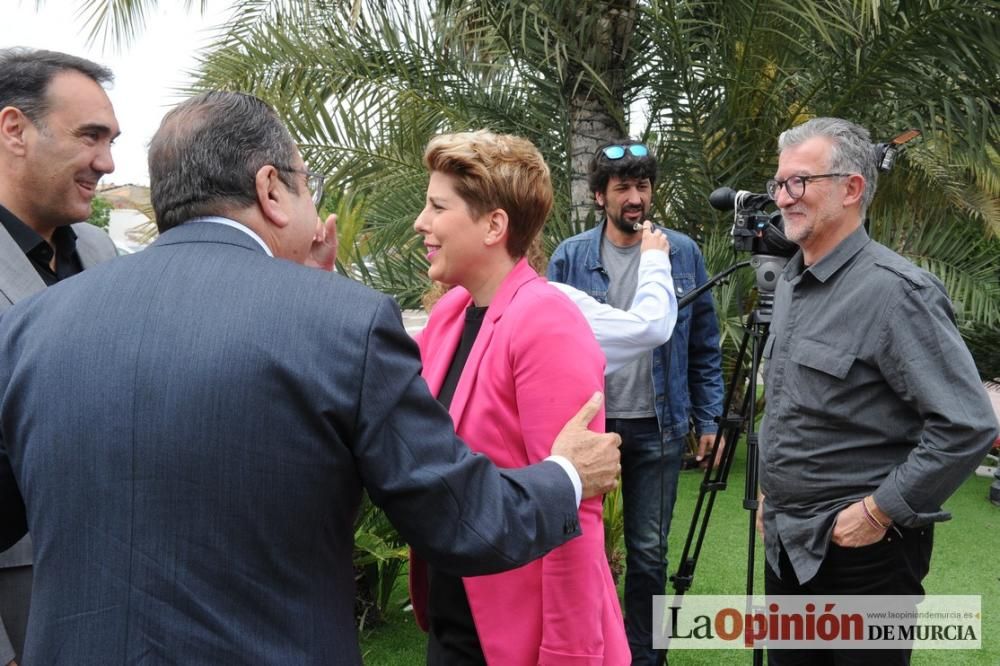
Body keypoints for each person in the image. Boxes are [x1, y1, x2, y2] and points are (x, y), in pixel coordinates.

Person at [0, 91, 623, 664]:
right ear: (271, 190)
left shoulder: (31, 326)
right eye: (307, 187)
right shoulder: (344, 326)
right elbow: (458, 516)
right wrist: (567, 475)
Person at [757, 117, 999, 665]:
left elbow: (967, 424)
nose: (783, 198)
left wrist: (879, 511)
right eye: (779, 183)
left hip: (864, 558)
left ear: (851, 188)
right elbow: (798, 404)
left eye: (799, 182)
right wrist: (775, 488)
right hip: (788, 544)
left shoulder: (897, 293)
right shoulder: (792, 284)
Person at [408, 130, 630, 664]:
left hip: (519, 639)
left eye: (438, 206)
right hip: (455, 618)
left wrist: (568, 653)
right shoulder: (449, 316)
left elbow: (576, 509)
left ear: (494, 225)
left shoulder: (546, 323)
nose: (421, 221)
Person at [548, 140, 724, 665]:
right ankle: (590, 650)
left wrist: (709, 417)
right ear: (600, 196)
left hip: (659, 426)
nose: (635, 198)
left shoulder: (683, 253)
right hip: (590, 428)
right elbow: (547, 343)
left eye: (642, 186)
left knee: (650, 554)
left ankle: (646, 658)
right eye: (622, 187)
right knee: (578, 549)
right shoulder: (571, 257)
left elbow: (703, 344)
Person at [0, 47, 120, 666]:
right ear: (15, 130)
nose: (107, 162)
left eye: (111, 140)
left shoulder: (102, 251)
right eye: (90, 137)